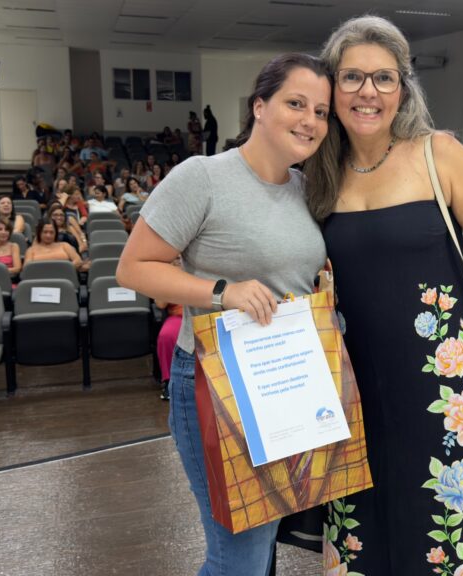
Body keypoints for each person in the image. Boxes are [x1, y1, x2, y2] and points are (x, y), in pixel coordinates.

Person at [305, 16, 463, 574]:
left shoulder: (436, 153)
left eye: (384, 78)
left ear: (403, 87)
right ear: (332, 85)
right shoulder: (318, 171)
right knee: (365, 524)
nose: (368, 92)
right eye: (352, 77)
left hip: (447, 382)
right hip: (354, 385)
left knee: (448, 519)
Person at [116, 53, 333, 576]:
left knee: (266, 544)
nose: (309, 120)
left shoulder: (307, 189)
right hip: (217, 385)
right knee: (239, 558)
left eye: (322, 112)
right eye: (296, 103)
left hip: (287, 383)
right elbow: (133, 268)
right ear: (259, 106)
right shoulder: (203, 177)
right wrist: (221, 291)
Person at [154, 257, 185, 401]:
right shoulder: (166, 273)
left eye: (181, 257)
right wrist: (171, 275)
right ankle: (168, 381)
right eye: (176, 258)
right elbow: (160, 304)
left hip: (202, 313)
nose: (179, 260)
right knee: (166, 336)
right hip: (178, 316)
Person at [25, 220, 89, 272]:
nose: (48, 235)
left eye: (51, 232)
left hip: (64, 277)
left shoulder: (65, 245)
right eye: (45, 232)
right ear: (39, 233)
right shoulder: (31, 250)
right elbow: (27, 268)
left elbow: (78, 261)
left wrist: (60, 271)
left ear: (56, 233)